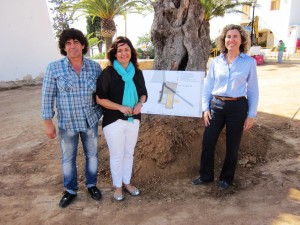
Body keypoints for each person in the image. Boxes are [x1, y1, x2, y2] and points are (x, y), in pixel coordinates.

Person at [192, 24, 259, 191]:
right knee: (208, 141)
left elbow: (252, 90)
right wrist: (205, 108)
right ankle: (206, 176)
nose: (232, 40)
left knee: (233, 144)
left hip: (238, 106)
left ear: (242, 39)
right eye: (228, 36)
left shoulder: (249, 62)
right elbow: (208, 86)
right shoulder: (216, 61)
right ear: (224, 40)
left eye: (235, 36)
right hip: (216, 105)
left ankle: (226, 179)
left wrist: (251, 114)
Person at [42, 28, 103, 208]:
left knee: (92, 155)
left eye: (76, 42)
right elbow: (47, 96)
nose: (72, 46)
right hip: (67, 124)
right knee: (68, 158)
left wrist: (98, 113)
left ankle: (91, 185)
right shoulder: (54, 68)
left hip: (89, 122)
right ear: (64, 47)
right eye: (68, 43)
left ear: (83, 45)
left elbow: (101, 94)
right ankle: (70, 190)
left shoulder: (94, 67)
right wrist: (48, 123)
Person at [96, 36, 148, 201]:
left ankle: (127, 183)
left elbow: (143, 93)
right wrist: (119, 107)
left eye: (126, 50)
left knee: (129, 153)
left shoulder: (137, 72)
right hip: (113, 120)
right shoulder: (108, 73)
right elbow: (99, 98)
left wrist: (140, 104)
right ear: (114, 54)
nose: (123, 53)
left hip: (134, 119)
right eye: (120, 50)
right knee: (117, 154)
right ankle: (118, 186)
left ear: (131, 52)